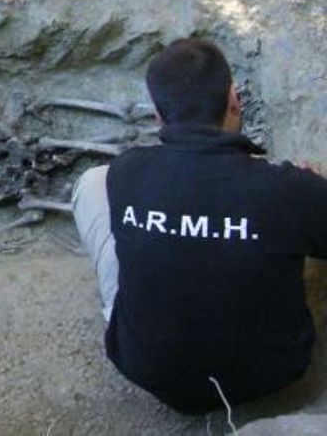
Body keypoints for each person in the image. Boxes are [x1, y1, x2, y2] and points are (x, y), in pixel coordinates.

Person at [72, 38, 327, 414]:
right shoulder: (286, 189)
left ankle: (127, 309)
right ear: (234, 99)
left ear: (159, 116)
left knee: (92, 181)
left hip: (147, 367)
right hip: (273, 372)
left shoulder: (127, 171)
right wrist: (311, 196)